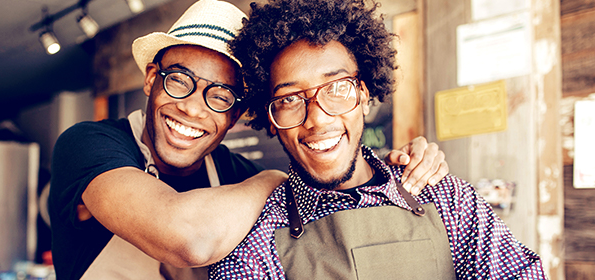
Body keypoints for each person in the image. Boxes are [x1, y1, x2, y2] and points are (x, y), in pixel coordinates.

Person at [49, 0, 448, 279]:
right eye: (179, 81)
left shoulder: (232, 172)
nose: (192, 108)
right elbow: (185, 238)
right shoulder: (90, 145)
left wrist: (393, 169)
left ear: (237, 113)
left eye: (220, 96)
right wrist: (274, 178)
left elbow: (331, 202)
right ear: (152, 78)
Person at [210, 0, 547, 279]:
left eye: (337, 88)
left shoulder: (447, 199)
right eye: (289, 99)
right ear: (271, 119)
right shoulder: (258, 235)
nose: (317, 118)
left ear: (364, 93)